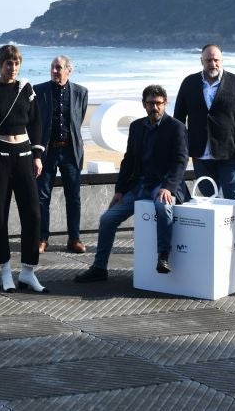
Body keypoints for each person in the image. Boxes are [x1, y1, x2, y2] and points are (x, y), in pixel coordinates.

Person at [75, 85, 188, 282]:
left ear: (165, 103)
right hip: (139, 185)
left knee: (163, 206)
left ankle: (163, 256)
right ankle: (99, 268)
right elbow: (128, 161)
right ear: (144, 105)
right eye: (151, 103)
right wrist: (119, 191)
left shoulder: (176, 127)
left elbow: (181, 161)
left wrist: (168, 187)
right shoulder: (136, 127)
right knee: (107, 219)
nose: (155, 107)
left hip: (161, 185)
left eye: (159, 103)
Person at [0, 43, 46, 293]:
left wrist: (37, 155)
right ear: (0, 64)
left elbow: (36, 122)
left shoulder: (26, 89)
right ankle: (5, 271)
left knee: (33, 215)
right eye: (8, 63)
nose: (13, 68)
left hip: (25, 155)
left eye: (16, 63)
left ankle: (28, 272)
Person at [173, 44, 235, 200]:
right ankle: (215, 225)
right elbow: (179, 118)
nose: (213, 64)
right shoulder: (189, 83)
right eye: (208, 60)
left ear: (222, 60)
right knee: (209, 196)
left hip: (230, 152)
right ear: (201, 61)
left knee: (232, 196)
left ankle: (234, 225)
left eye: (216, 60)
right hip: (200, 152)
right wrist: (179, 146)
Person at [34, 55, 90, 255]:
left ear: (69, 70)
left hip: (70, 151)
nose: (55, 71)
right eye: (52, 67)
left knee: (73, 197)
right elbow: (34, 121)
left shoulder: (81, 93)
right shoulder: (38, 90)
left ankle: (74, 239)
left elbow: (78, 120)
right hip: (46, 151)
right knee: (42, 197)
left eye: (58, 68)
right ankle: (42, 238)